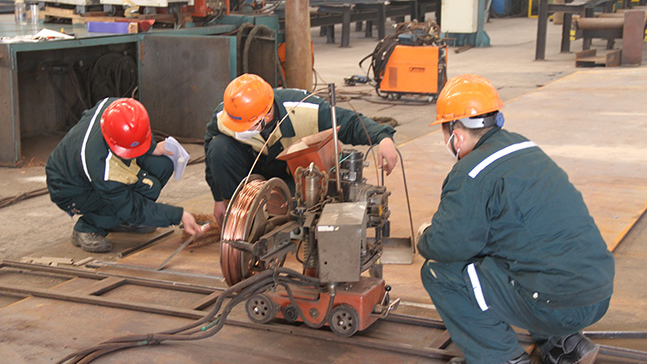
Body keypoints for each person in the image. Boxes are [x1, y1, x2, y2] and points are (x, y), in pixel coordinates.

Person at [416, 74, 614, 364]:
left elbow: (448, 245)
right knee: (522, 252)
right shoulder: (524, 147)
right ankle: (564, 343)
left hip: (557, 305)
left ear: (455, 133)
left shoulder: (471, 171)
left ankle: (500, 360)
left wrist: (424, 236)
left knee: (439, 272)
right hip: (596, 292)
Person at [204, 74, 399, 224]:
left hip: (294, 174)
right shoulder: (226, 115)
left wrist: (383, 138)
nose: (241, 131)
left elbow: (349, 123)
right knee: (219, 147)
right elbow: (211, 152)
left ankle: (279, 208)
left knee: (304, 212)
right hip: (252, 169)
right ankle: (239, 214)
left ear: (267, 115)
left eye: (248, 126)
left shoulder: (304, 108)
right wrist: (219, 199)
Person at [46, 98, 201, 253]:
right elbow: (131, 207)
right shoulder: (102, 168)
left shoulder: (119, 109)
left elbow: (134, 129)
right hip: (69, 188)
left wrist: (151, 147)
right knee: (144, 192)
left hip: (94, 160)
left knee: (162, 165)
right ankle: (87, 227)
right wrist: (179, 215)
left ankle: (118, 221)